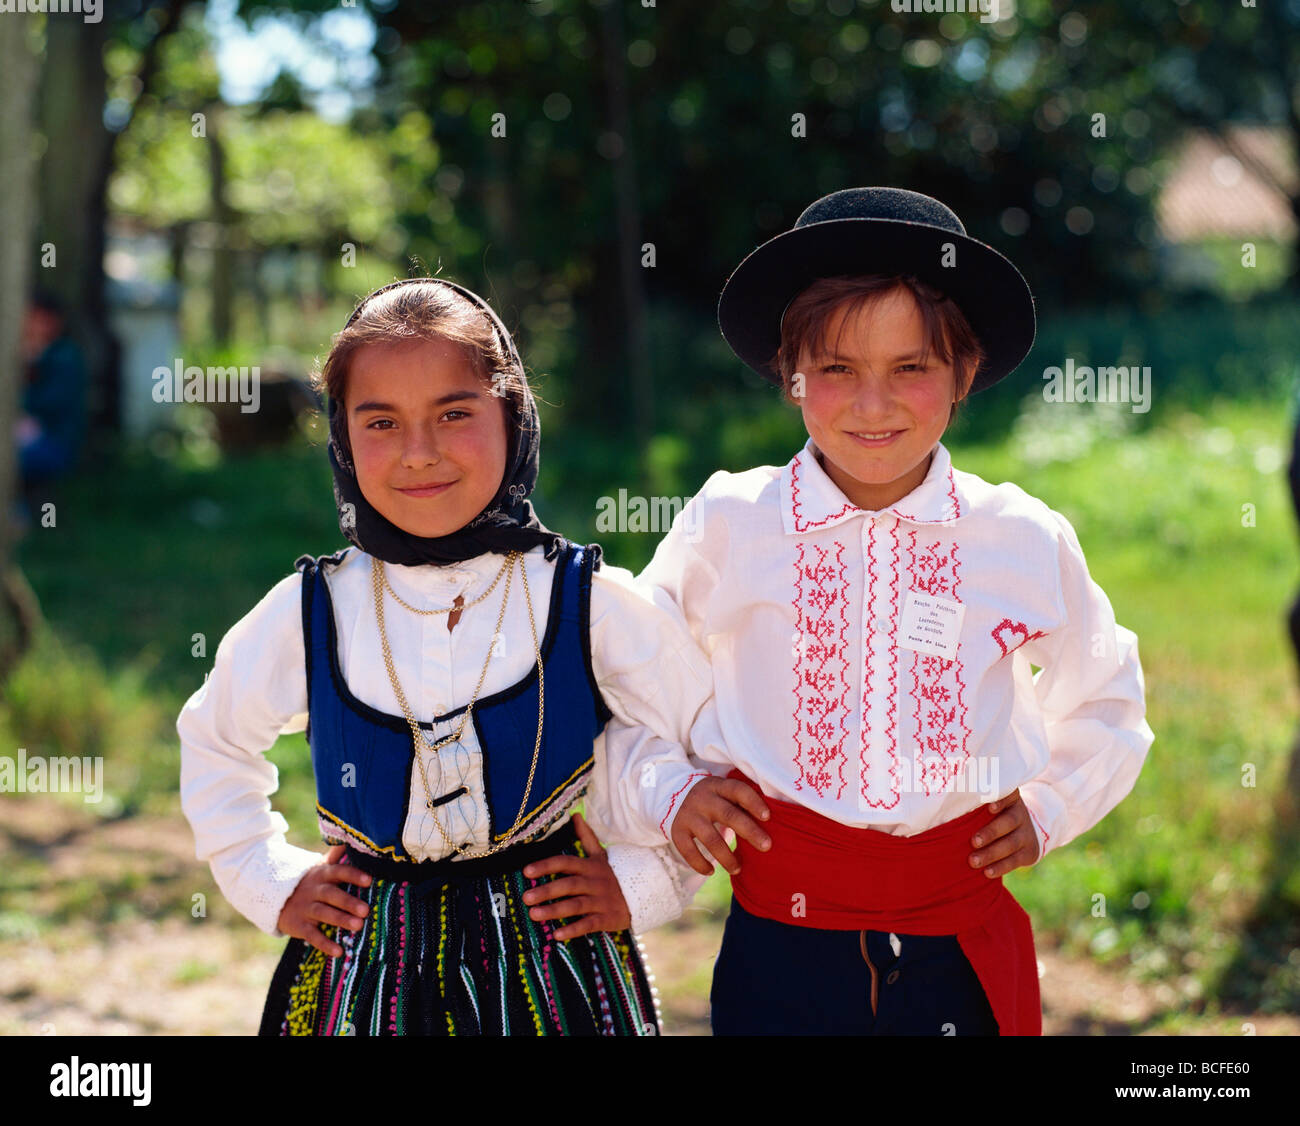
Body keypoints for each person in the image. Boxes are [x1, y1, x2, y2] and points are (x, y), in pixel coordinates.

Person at [608, 186, 1155, 1035]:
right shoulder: (732, 520)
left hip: (955, 942)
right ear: (792, 376)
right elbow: (632, 669)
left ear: (964, 373)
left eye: (911, 367)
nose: (874, 404)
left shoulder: (1018, 536)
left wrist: (1050, 806)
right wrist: (670, 789)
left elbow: (1107, 688)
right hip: (780, 940)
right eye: (837, 369)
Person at [177, 277, 710, 1036]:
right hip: (367, 972)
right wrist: (268, 881)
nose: (419, 453)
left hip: (552, 971)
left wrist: (642, 882)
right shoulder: (315, 609)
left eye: (454, 414)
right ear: (341, 437)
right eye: (381, 422)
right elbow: (214, 737)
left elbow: (701, 744)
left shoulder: (582, 597)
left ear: (513, 415)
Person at [13, 290, 86, 527]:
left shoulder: (64, 357)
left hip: (54, 445)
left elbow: (46, 403)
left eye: (39, 319)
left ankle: (17, 522)